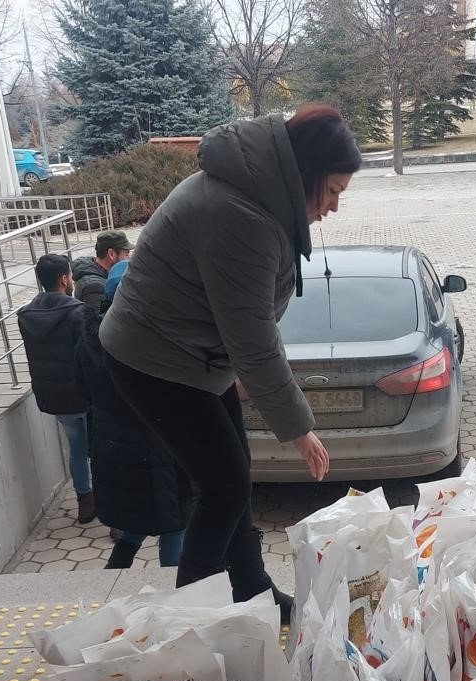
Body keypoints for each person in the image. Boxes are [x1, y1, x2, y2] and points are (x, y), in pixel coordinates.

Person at [100, 104, 361, 617]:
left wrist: (239, 374)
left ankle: (252, 590)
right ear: (302, 175)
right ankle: (194, 619)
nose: (333, 207)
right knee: (224, 484)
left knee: (232, 474)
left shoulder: (260, 198)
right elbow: (254, 337)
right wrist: (299, 428)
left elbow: (241, 320)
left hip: (195, 351)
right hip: (153, 358)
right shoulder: (240, 216)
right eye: (331, 191)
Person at [74, 262, 193, 570]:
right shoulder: (152, 340)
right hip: (157, 449)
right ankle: (175, 597)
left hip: (113, 447)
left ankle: (112, 579)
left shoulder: (88, 340)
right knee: (173, 524)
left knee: (138, 518)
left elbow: (83, 391)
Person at [16, 253, 96, 524]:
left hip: (54, 396)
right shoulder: (77, 311)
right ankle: (108, 507)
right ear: (64, 278)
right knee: (97, 450)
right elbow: (89, 356)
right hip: (84, 394)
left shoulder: (26, 315)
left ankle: (85, 502)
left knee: (76, 447)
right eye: (70, 276)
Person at [72, 230, 133, 311]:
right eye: (126, 253)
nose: (129, 258)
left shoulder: (94, 270)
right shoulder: (95, 286)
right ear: (111, 254)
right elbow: (98, 321)